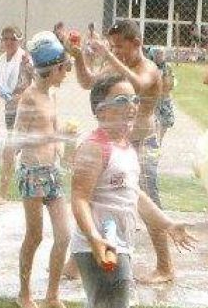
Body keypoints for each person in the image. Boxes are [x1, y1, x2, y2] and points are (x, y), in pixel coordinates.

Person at [48, 75, 195, 308]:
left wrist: (166, 223)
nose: (131, 107)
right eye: (121, 101)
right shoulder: (94, 146)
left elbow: (136, 195)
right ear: (100, 110)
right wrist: (95, 238)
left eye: (132, 101)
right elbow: (80, 198)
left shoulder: (125, 147)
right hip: (102, 249)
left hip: (114, 244)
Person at [72, 19, 176, 284]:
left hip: (143, 143)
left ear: (137, 43)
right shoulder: (116, 66)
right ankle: (76, 260)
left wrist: (108, 57)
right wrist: (78, 58)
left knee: (147, 199)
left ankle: (165, 266)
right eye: (112, 47)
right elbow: (88, 83)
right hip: (119, 144)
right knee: (99, 194)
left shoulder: (149, 68)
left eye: (120, 47)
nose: (115, 52)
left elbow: (138, 86)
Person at [12, 32, 77, 308]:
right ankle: (24, 293)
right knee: (35, 236)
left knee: (64, 235)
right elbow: (20, 141)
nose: (66, 74)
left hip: (52, 172)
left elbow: (50, 131)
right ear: (54, 69)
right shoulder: (29, 97)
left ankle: (52, 296)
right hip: (33, 172)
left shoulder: (50, 94)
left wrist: (64, 142)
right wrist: (57, 134)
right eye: (64, 68)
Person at [0, 25, 33, 206]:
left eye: (12, 39)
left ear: (19, 40)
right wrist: (2, 93)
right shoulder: (0, 61)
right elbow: (4, 87)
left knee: (10, 149)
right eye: (5, 39)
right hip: (11, 110)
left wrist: (18, 96)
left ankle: (2, 192)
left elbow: (34, 84)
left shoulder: (25, 59)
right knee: (22, 149)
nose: (8, 42)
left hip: (26, 110)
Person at [150, 47, 176, 145]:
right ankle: (155, 141)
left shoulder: (167, 67)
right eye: (158, 54)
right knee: (154, 121)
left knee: (167, 120)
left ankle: (159, 140)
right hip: (154, 99)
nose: (160, 56)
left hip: (165, 98)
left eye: (162, 54)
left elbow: (170, 83)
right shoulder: (150, 66)